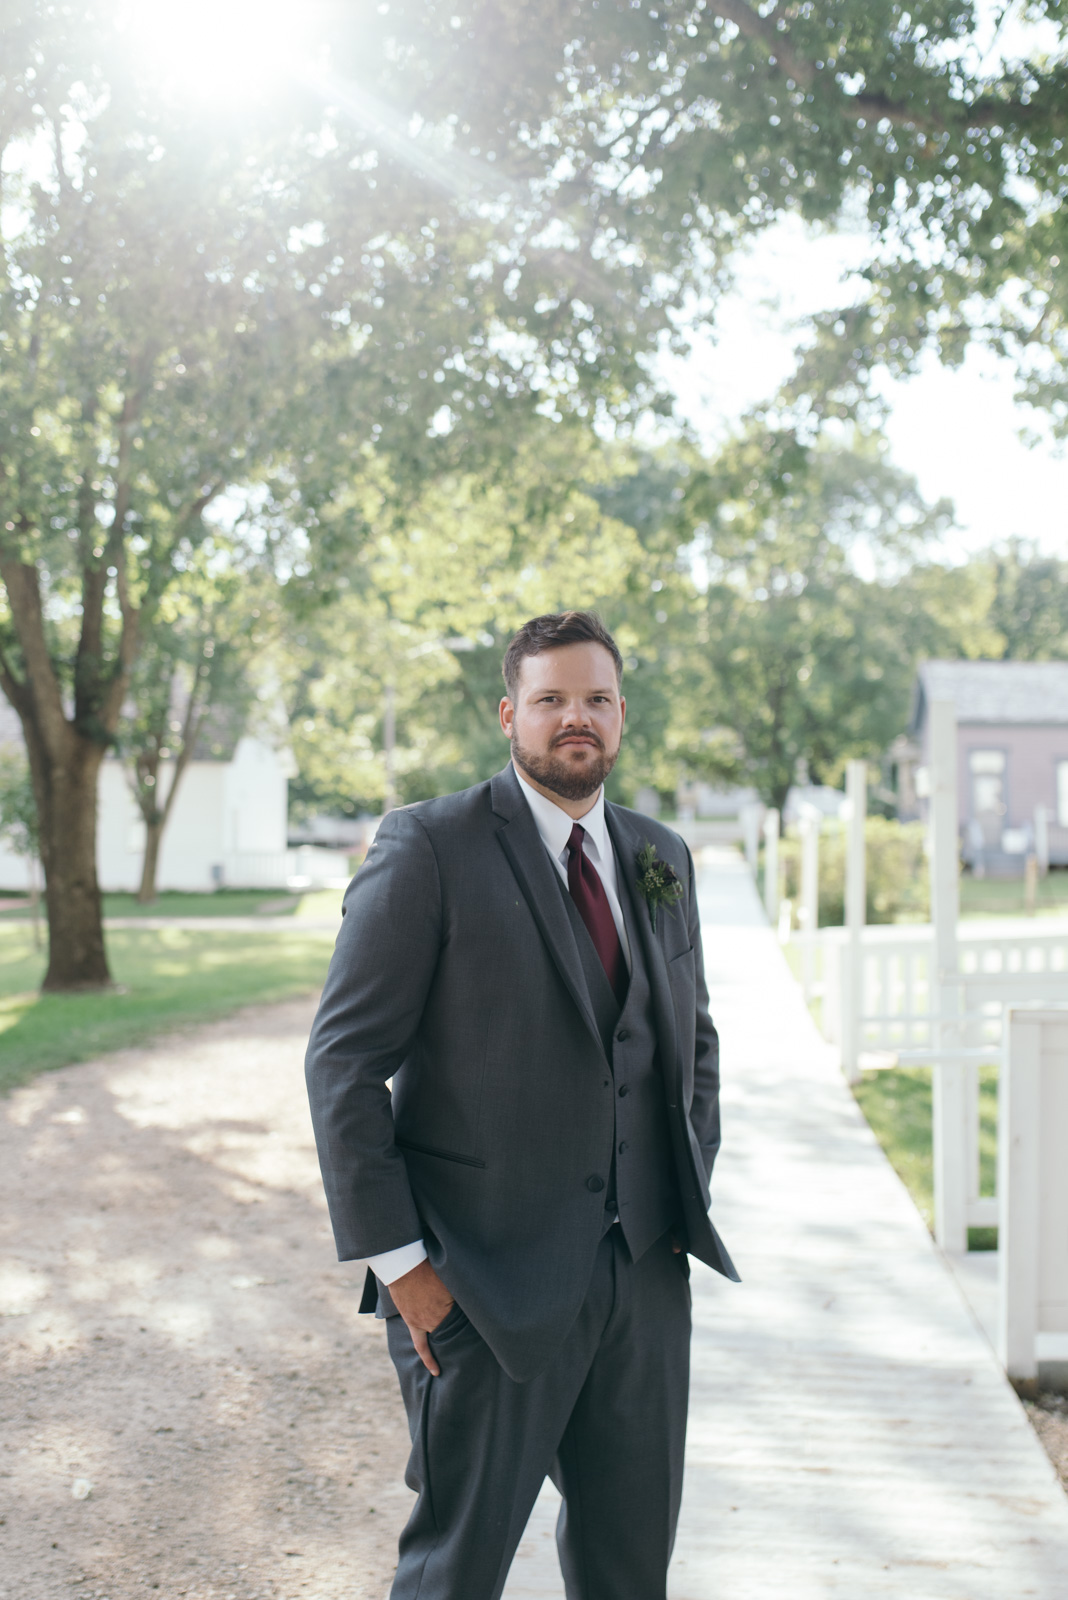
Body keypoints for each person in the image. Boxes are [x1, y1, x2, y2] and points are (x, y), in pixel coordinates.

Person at [305, 610, 737, 1600]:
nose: (573, 717)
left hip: (643, 1285)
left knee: (631, 1575)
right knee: (453, 1573)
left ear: (622, 715)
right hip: (479, 1290)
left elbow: (694, 1043)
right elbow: (342, 1065)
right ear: (510, 714)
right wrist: (406, 1269)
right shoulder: (429, 846)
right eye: (550, 699)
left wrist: (678, 1191)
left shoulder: (659, 852)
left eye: (594, 698)